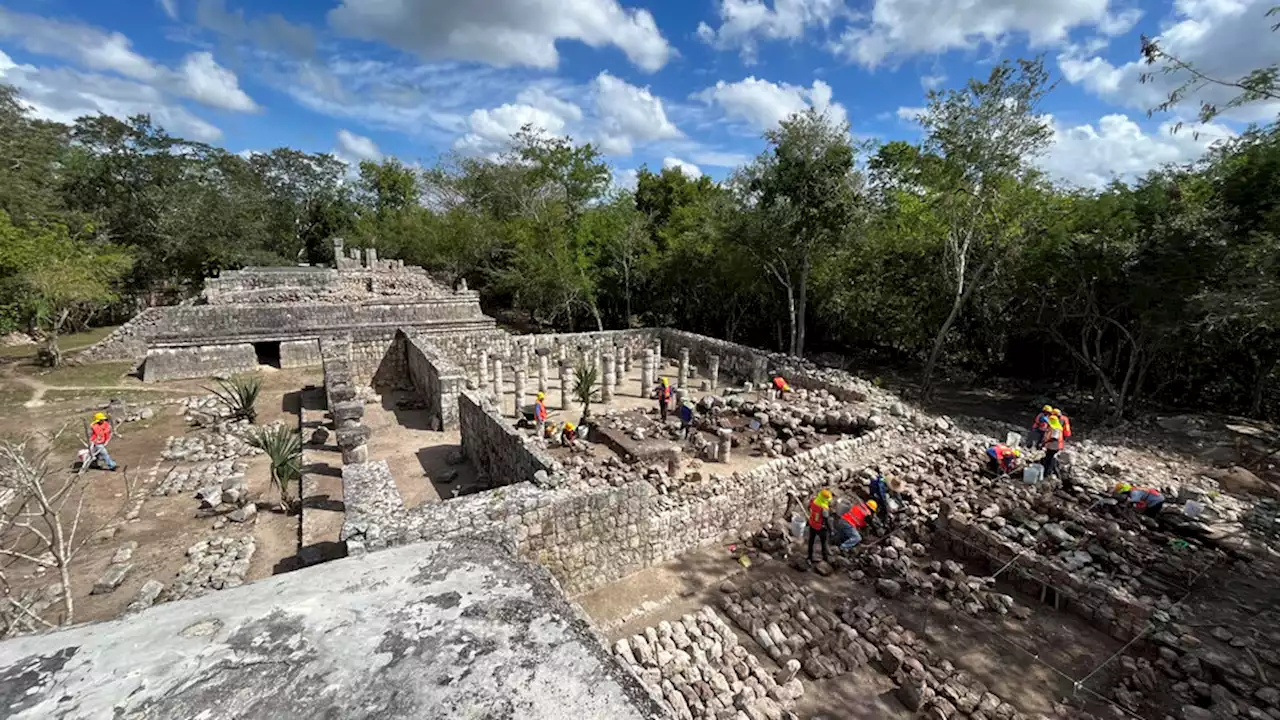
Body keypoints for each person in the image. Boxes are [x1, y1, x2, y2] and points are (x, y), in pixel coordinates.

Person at [806, 489, 834, 564]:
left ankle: (809, 556)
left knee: (811, 541)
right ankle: (825, 558)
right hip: (820, 527)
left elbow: (809, 508)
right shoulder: (824, 508)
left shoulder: (813, 500)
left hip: (812, 524)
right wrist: (831, 530)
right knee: (823, 543)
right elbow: (826, 520)